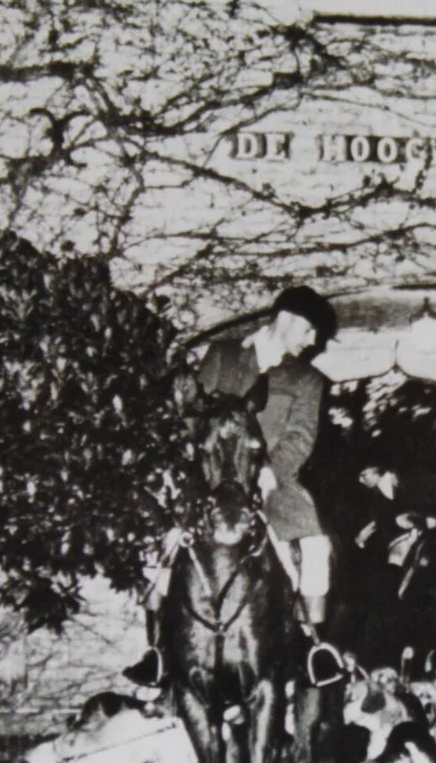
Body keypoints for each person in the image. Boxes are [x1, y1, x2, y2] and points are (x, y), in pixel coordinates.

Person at [124, 285, 340, 687]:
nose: (312, 343)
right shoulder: (222, 356)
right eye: (310, 331)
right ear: (287, 319)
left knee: (314, 547)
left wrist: (270, 469)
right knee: (159, 543)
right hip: (208, 480)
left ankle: (314, 646)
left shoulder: (308, 379)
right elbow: (191, 414)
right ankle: (155, 649)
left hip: (270, 483)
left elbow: (301, 437)